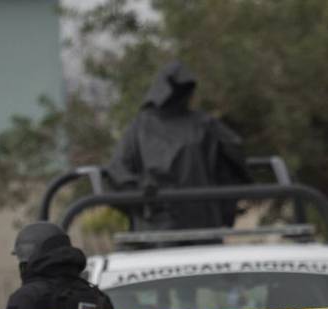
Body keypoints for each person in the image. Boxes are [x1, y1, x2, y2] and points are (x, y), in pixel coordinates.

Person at [106, 60, 250, 231]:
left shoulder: (203, 123)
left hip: (202, 221)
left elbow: (234, 151)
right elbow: (118, 170)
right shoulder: (142, 126)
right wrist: (143, 190)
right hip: (159, 225)